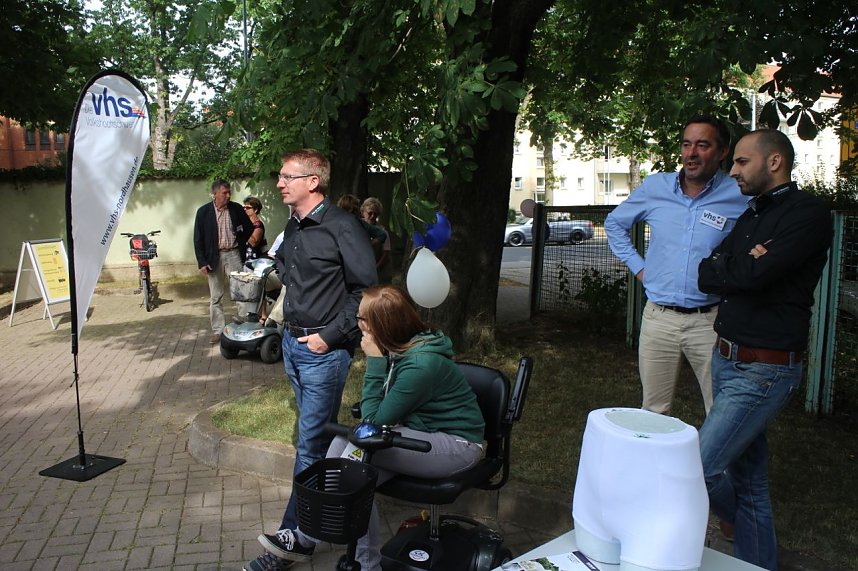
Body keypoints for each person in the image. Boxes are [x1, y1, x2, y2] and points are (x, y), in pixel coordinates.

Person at [249, 285, 485, 571]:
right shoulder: (402, 347)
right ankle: (347, 556)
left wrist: (374, 359)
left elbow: (373, 419)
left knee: (352, 464)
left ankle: (306, 539)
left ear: (381, 325)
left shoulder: (421, 365)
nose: (356, 322)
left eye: (361, 318)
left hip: (457, 446)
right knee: (345, 460)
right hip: (418, 433)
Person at [697, 129, 832, 571]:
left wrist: (740, 267)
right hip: (726, 359)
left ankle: (747, 534)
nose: (732, 170)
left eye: (741, 161)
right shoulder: (751, 213)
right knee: (750, 483)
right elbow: (707, 272)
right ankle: (756, 563)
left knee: (696, 469)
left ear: (774, 162)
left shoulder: (808, 213)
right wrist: (743, 262)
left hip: (764, 369)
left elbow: (752, 276)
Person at [244, 149, 377, 571]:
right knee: (317, 444)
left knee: (309, 446)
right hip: (292, 345)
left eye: (288, 177)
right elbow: (287, 263)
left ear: (313, 182)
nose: (280, 183)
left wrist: (328, 337)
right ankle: (327, 516)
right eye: (281, 176)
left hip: (323, 352)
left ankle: (294, 540)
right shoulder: (295, 225)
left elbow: (365, 289)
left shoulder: (343, 226)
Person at [604, 115, 748, 415]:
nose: (691, 153)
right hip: (659, 319)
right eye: (686, 144)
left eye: (702, 145)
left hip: (711, 321)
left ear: (722, 152)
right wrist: (640, 268)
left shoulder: (738, 194)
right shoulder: (656, 187)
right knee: (653, 411)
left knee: (721, 410)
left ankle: (717, 450)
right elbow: (615, 224)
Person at [193, 179, 253, 344]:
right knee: (216, 296)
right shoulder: (203, 212)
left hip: (234, 254)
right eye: (224, 193)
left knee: (240, 292)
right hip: (214, 257)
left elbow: (249, 228)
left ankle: (244, 324)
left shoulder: (236, 209)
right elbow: (198, 239)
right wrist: (202, 262)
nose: (228, 195)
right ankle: (218, 331)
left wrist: (241, 241)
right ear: (215, 194)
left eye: (229, 192)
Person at [361, 197, 394, 283]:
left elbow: (386, 254)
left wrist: (375, 268)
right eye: (370, 213)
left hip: (380, 273)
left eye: (375, 214)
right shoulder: (357, 227)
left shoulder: (383, 231)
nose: (372, 216)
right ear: (363, 212)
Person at [243, 196, 267, 260]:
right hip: (246, 258)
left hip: (257, 259)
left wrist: (242, 230)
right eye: (244, 207)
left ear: (255, 210)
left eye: (248, 208)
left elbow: (253, 243)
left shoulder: (258, 225)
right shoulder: (246, 223)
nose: (245, 209)